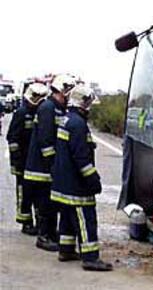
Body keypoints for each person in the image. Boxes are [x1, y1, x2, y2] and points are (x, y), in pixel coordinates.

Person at [51, 84, 113, 271]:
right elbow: (81, 157)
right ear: (82, 103)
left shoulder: (66, 120)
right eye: (88, 103)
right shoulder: (78, 124)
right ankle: (90, 257)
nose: (90, 107)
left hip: (63, 183)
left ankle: (66, 249)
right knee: (86, 219)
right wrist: (93, 180)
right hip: (76, 185)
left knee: (68, 219)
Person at [24, 73, 76, 251]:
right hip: (42, 169)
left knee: (53, 205)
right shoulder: (47, 108)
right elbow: (45, 141)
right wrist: (53, 165)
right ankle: (44, 236)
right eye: (68, 93)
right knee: (46, 205)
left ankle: (51, 234)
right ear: (61, 91)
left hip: (50, 168)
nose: (69, 98)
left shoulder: (58, 109)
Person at [6, 83, 49, 235]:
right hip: (22, 162)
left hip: (33, 162)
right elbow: (12, 138)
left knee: (37, 193)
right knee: (24, 193)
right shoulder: (22, 113)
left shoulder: (41, 114)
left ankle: (38, 221)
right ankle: (26, 222)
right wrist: (17, 161)